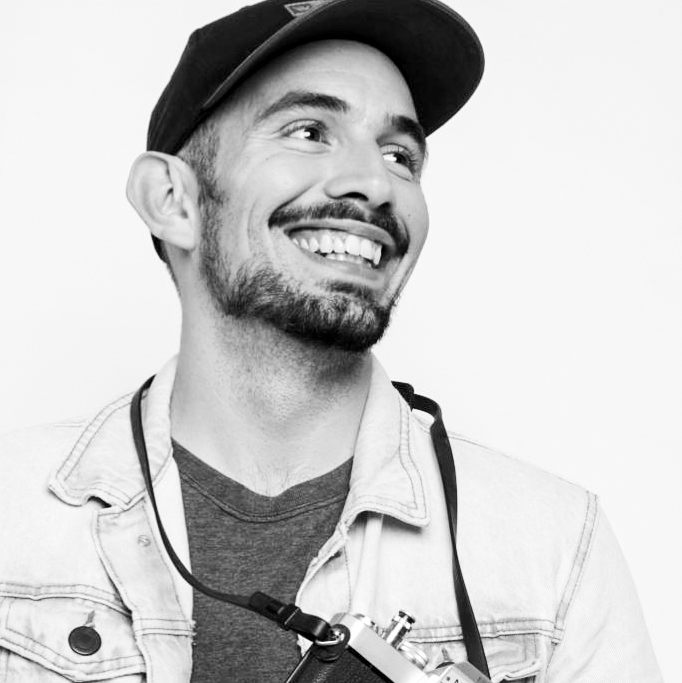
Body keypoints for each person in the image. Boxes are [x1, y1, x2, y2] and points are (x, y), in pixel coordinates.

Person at [0, 0, 663, 681]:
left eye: (401, 154)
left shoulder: (554, 546)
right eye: (310, 130)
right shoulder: (10, 520)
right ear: (174, 201)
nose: (376, 183)